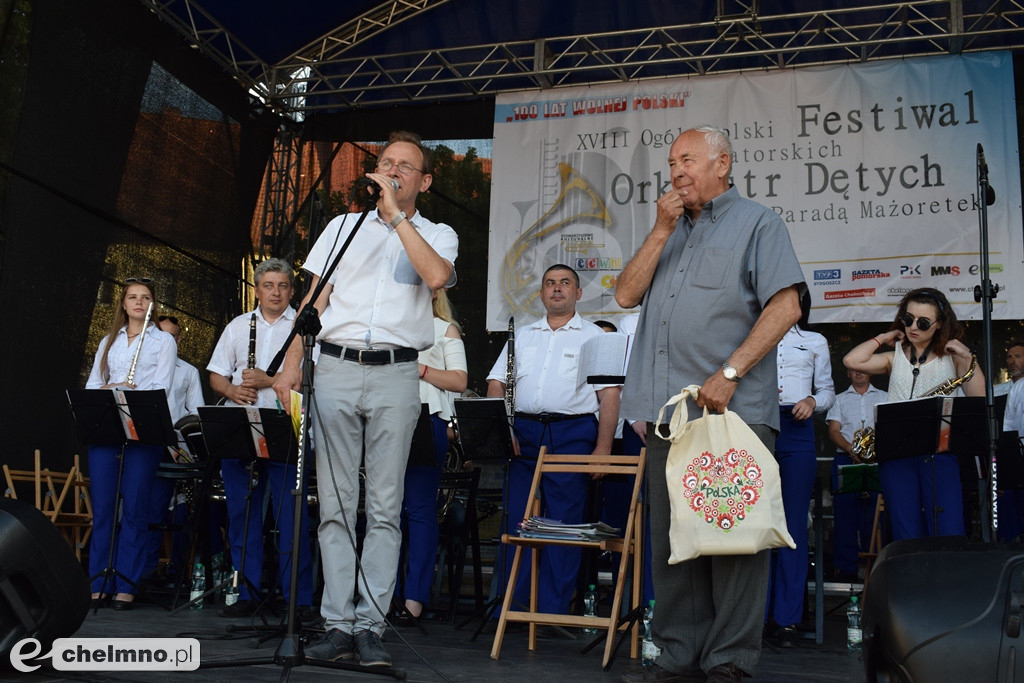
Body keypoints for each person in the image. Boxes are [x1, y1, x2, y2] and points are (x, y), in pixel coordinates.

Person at [615, 125, 804, 683]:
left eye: (689, 160)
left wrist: (730, 372)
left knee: (735, 538)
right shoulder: (667, 230)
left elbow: (786, 306)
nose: (677, 171)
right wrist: (659, 229)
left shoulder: (759, 223)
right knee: (674, 539)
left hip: (732, 415)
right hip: (668, 418)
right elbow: (625, 295)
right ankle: (677, 654)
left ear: (723, 164)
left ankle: (728, 661)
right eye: (672, 162)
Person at [273, 131, 458, 667]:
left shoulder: (436, 233)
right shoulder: (341, 226)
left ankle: (371, 624)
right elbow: (315, 297)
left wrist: (398, 217)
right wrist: (289, 367)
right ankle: (336, 622)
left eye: (405, 166)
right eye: (385, 162)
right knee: (333, 503)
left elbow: (438, 277)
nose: (392, 170)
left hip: (398, 374)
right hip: (333, 366)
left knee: (383, 506)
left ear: (423, 181)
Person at [486, 264, 621, 620]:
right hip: (524, 434)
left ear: (578, 293)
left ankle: (551, 612)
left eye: (565, 283)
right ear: (542, 293)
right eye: (550, 283)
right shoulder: (523, 335)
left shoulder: (597, 336)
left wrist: (603, 450)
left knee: (564, 526)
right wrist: (504, 429)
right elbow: (496, 384)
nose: (557, 289)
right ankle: (513, 609)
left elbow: (610, 397)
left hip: (573, 434)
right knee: (518, 520)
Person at [207, 257, 315, 618]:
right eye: (268, 285)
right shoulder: (238, 326)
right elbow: (217, 376)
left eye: (283, 286)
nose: (276, 292)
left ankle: (296, 600)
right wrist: (234, 391)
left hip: (287, 422)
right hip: (243, 424)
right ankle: (247, 592)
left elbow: (304, 377)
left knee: (291, 517)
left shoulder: (306, 328)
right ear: (257, 289)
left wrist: (269, 381)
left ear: (292, 290)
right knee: (242, 513)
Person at [844, 287, 984, 540]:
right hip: (897, 453)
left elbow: (978, 397)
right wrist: (882, 337)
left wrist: (967, 358)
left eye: (923, 322)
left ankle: (943, 577)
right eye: (907, 319)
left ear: (940, 324)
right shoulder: (892, 356)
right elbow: (852, 361)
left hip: (939, 453)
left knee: (947, 526)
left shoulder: (953, 357)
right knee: (905, 529)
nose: (913, 327)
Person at [85, 277, 178, 610]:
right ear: (123, 304)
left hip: (143, 431)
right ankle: (99, 581)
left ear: (152, 305)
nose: (139, 302)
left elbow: (161, 390)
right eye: (132, 297)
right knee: (105, 509)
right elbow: (93, 386)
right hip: (107, 429)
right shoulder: (108, 342)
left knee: (136, 508)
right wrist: (116, 388)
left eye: (146, 297)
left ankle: (126, 583)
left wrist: (124, 390)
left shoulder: (164, 342)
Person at [767, 293, 835, 648]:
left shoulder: (814, 341)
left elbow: (827, 391)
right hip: (758, 427)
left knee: (792, 524)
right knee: (755, 522)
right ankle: (753, 616)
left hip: (797, 429)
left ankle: (787, 619)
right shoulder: (751, 336)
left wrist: (811, 401)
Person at [396, 288, 467, 621]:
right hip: (386, 418)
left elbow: (459, 380)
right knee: (384, 510)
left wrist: (421, 370)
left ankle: (414, 599)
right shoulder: (388, 328)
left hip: (428, 419)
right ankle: (383, 596)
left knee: (420, 510)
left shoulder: (445, 329)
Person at [145, 315, 206, 579]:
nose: (166, 341)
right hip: (145, 445)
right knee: (146, 510)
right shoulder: (143, 368)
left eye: (172, 336)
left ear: (179, 340)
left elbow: (195, 416)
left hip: (175, 449)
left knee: (180, 509)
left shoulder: (189, 372)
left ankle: (178, 572)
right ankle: (143, 573)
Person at [826, 369, 887, 582]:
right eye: (854, 370)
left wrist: (873, 451)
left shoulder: (884, 397)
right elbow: (834, 431)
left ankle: (877, 569)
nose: (859, 373)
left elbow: (888, 428)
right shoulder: (838, 399)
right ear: (848, 373)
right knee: (845, 517)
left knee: (875, 517)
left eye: (864, 369)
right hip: (846, 459)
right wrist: (852, 450)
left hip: (877, 461)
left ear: (871, 372)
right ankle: (846, 571)